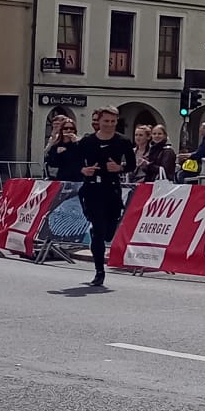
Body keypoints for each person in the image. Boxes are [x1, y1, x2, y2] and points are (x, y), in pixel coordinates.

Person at [69, 107, 133, 286]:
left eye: (113, 122)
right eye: (106, 121)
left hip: (112, 188)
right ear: (99, 121)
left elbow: (132, 164)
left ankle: (100, 233)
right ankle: (99, 271)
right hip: (92, 188)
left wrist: (120, 168)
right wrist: (83, 170)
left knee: (109, 230)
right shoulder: (87, 141)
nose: (110, 125)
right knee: (98, 229)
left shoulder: (123, 141)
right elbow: (73, 161)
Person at [43, 115, 83, 182]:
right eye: (66, 128)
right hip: (61, 178)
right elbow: (51, 162)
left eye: (71, 128)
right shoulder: (56, 144)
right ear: (61, 130)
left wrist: (75, 144)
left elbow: (80, 160)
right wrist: (57, 154)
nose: (68, 130)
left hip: (76, 178)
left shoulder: (78, 143)